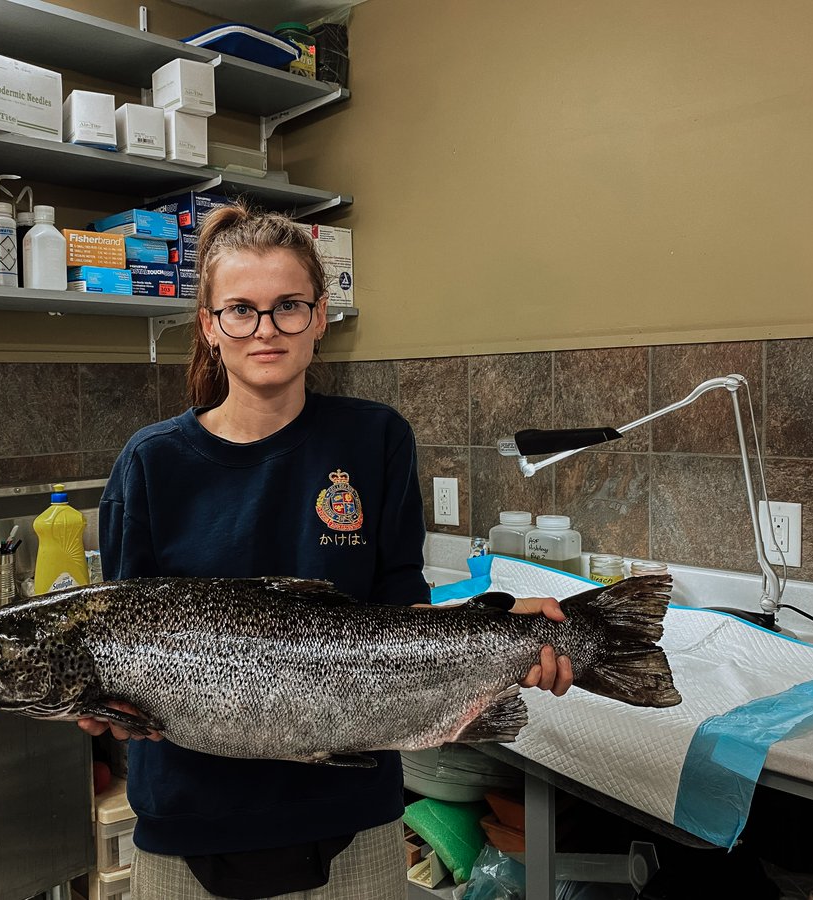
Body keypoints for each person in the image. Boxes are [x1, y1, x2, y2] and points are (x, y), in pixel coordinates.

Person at [81, 203, 573, 900]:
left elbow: (400, 613)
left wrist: (500, 623)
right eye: (241, 310)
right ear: (210, 326)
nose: (265, 329)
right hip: (193, 826)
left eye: (288, 307)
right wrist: (104, 702)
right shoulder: (151, 464)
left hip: (352, 818)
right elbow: (119, 645)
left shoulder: (375, 440)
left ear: (320, 317)